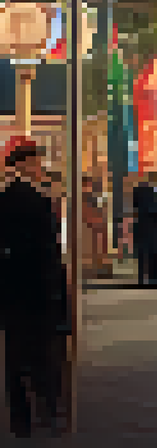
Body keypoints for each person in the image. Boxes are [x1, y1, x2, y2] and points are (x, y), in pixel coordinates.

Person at [0, 138, 70, 438]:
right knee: (43, 354)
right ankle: (48, 411)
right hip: (39, 290)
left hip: (13, 291)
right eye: (37, 161)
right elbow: (47, 249)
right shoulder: (37, 200)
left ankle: (20, 419)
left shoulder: (4, 199)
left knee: (14, 357)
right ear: (26, 164)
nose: (41, 167)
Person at [131, 172, 157, 288]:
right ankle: (153, 280)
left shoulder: (138, 191)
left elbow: (134, 206)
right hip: (152, 227)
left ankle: (142, 279)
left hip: (142, 226)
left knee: (143, 255)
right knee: (153, 255)